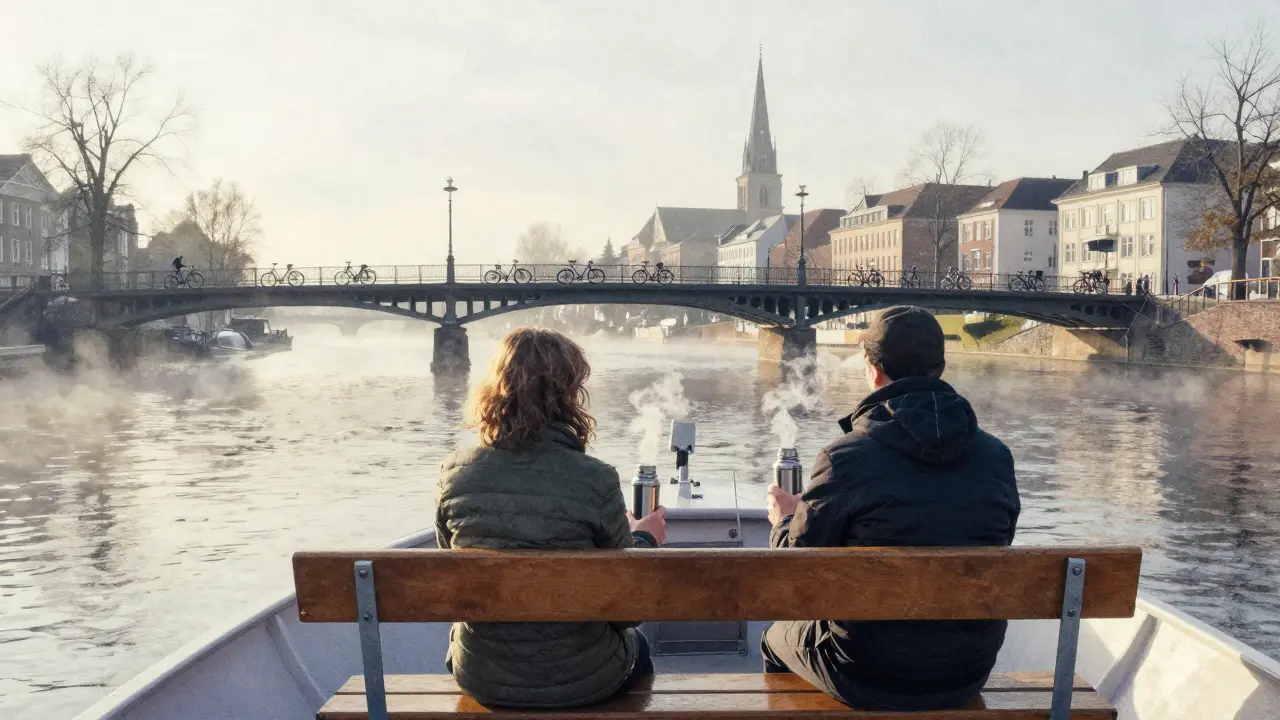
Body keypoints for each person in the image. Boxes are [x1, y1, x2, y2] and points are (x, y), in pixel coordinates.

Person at [763, 305, 1020, 711]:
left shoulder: (845, 458)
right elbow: (998, 539)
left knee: (776, 637)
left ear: (872, 367)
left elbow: (797, 577)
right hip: (966, 672)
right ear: (940, 367)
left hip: (866, 672)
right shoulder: (996, 457)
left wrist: (783, 522)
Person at [435, 327, 667, 709]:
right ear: (569, 396)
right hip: (583, 679)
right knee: (638, 646)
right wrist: (644, 540)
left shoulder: (454, 473)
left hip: (480, 674)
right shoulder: (595, 478)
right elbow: (629, 612)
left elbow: (454, 579)